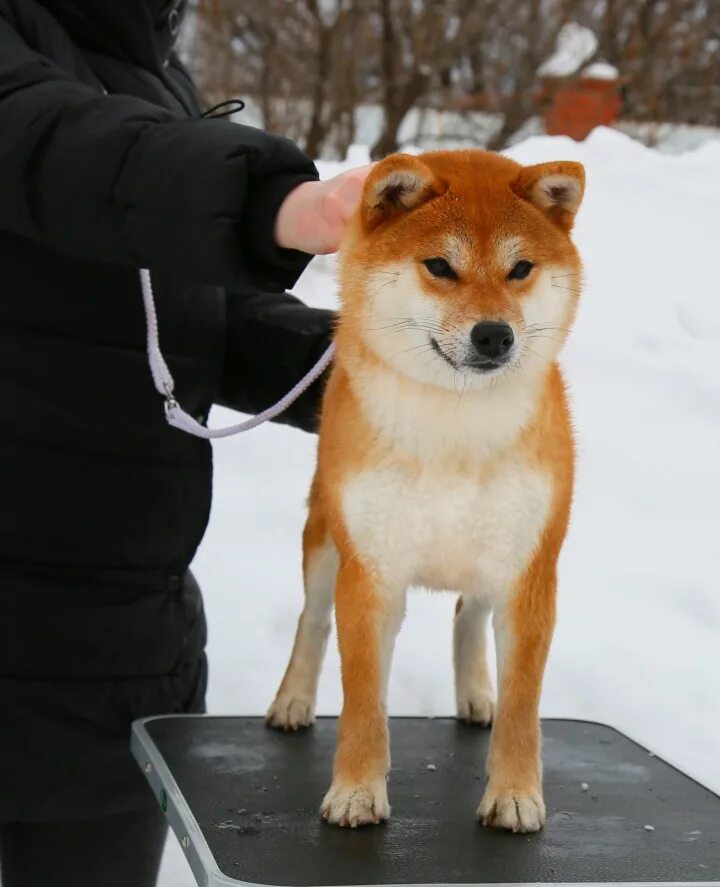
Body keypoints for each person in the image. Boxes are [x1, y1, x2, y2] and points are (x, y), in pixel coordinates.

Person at [0, 2, 370, 884]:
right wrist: (272, 199)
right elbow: (50, 142)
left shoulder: (150, 68)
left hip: (122, 660)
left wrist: (375, 373)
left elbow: (194, 315)